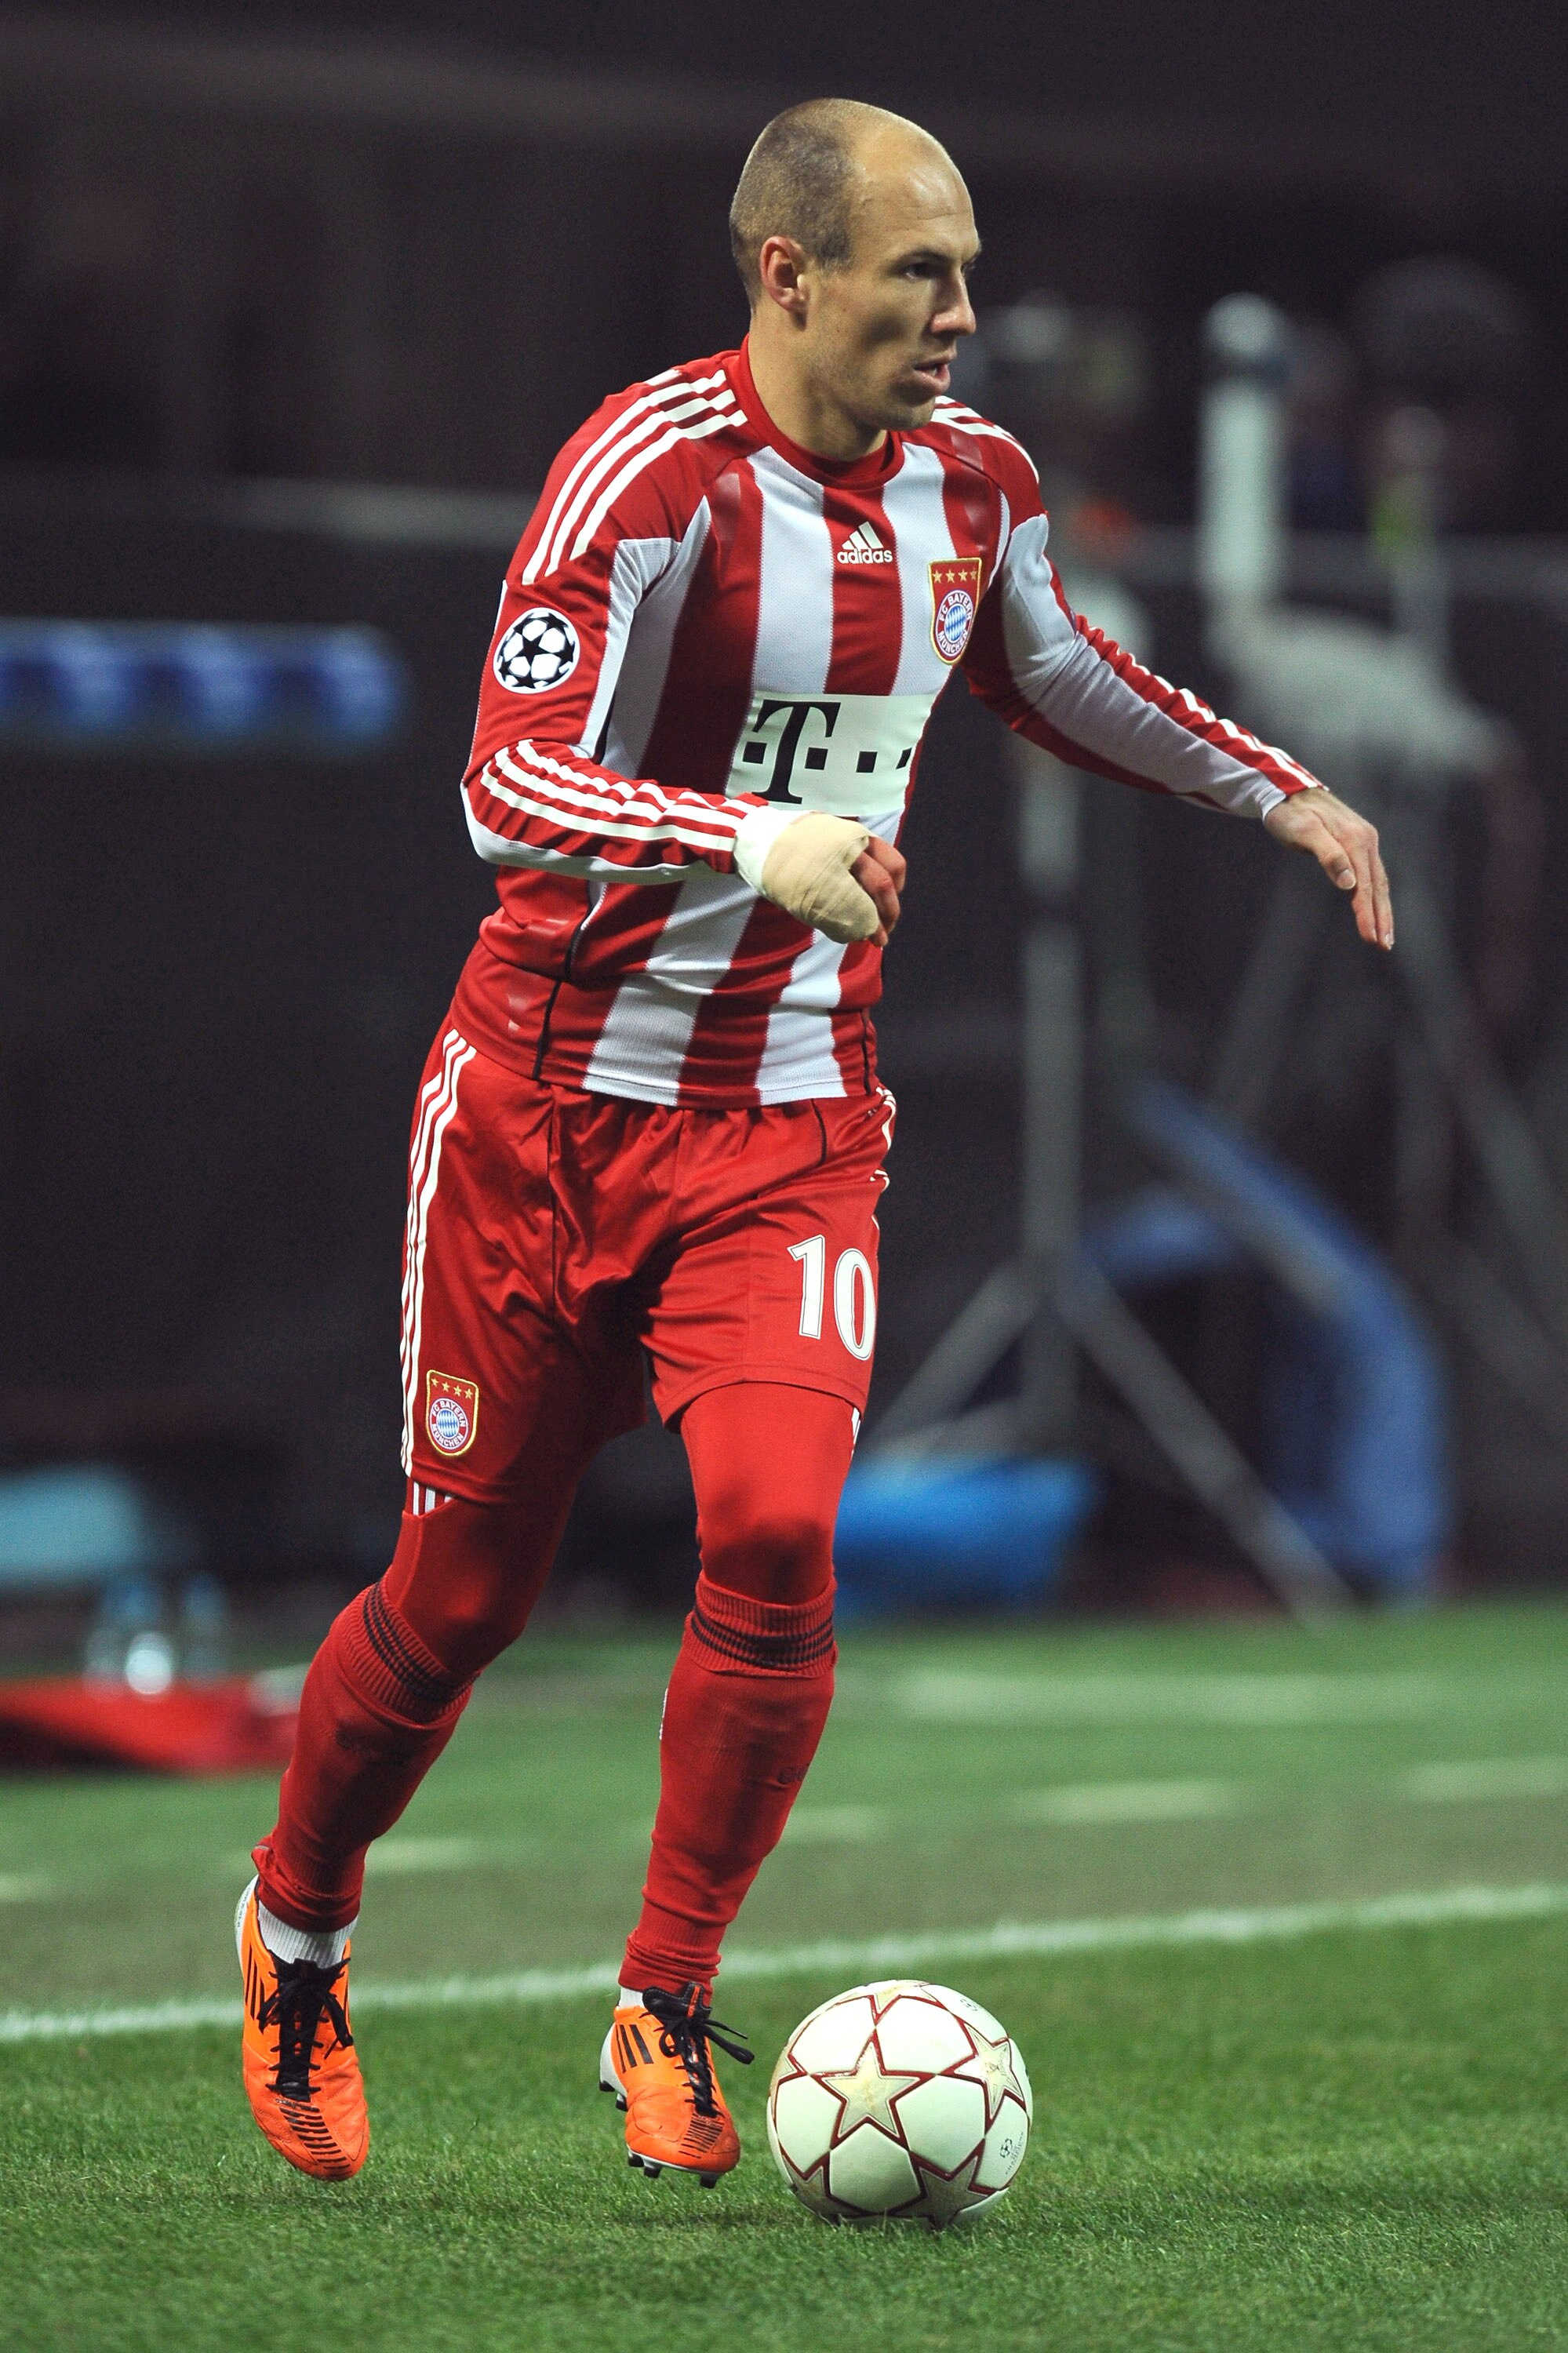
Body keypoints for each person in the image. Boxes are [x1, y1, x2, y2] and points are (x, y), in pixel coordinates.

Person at [235, 97, 1392, 2190]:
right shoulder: (648, 474)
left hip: (785, 1133)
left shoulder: (980, 487)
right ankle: (300, 1926)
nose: (963, 311)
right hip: (543, 1114)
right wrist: (753, 837)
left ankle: (664, 2003)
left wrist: (1275, 793)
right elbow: (509, 783)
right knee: (458, 1598)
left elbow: (1051, 672)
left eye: (966, 271)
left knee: (774, 1532)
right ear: (790, 275)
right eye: (918, 271)